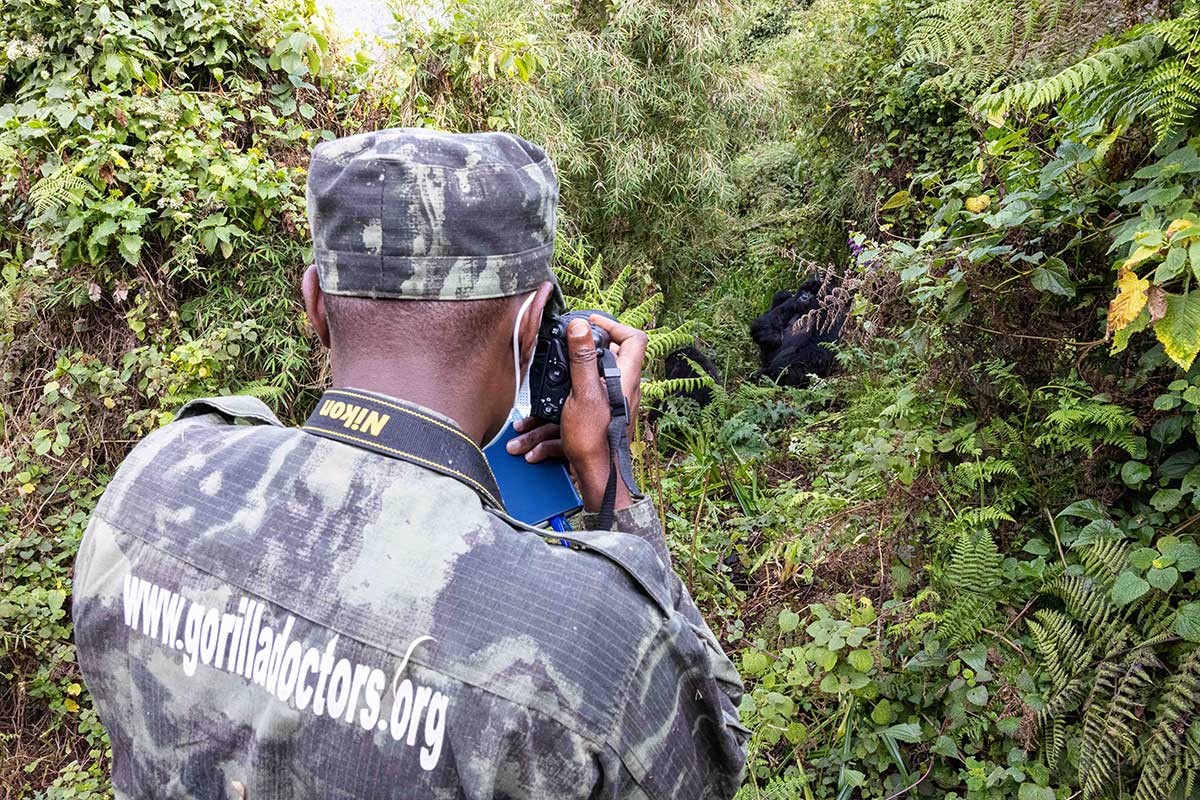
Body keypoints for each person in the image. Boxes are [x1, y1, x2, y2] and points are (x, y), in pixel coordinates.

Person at [72, 128, 748, 799]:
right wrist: (609, 479)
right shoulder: (588, 635)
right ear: (532, 322)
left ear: (316, 304)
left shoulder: (155, 478)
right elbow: (711, 759)